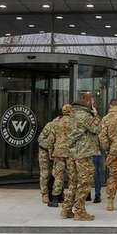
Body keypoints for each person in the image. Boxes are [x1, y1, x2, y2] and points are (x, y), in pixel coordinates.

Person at [63, 92, 101, 221]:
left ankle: (67, 209)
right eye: (93, 101)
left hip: (72, 154)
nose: (94, 103)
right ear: (88, 102)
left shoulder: (72, 114)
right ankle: (79, 211)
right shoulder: (84, 115)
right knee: (85, 182)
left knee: (73, 182)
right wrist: (96, 114)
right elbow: (97, 128)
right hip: (83, 153)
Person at [48, 104, 73, 207]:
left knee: (58, 176)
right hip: (71, 153)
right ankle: (72, 199)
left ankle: (54, 200)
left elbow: (50, 139)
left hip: (58, 153)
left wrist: (50, 152)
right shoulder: (74, 122)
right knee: (72, 177)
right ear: (71, 111)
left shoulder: (56, 122)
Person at [37, 114, 58, 205]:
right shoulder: (50, 125)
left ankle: (57, 194)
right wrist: (49, 147)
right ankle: (44, 194)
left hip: (55, 153)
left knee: (57, 173)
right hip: (44, 152)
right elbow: (40, 139)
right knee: (45, 173)